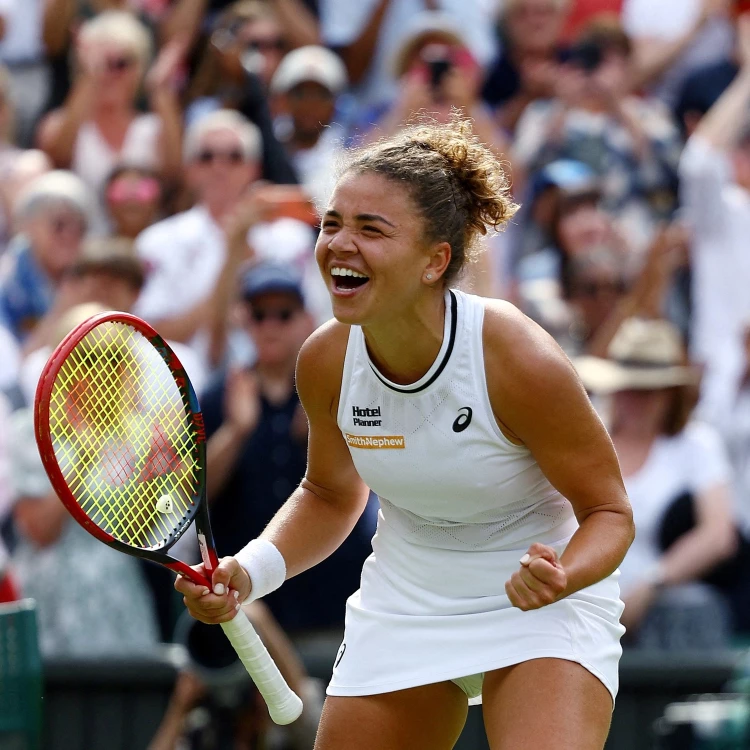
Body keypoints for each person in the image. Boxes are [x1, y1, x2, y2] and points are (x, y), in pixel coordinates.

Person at [176, 116, 634, 750]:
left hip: (543, 598)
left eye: (371, 229)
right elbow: (332, 495)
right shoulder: (326, 359)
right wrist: (247, 571)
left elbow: (610, 511)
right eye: (332, 223)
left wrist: (564, 572)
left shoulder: (514, 355)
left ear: (434, 261)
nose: (339, 243)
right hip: (409, 595)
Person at [200, 261, 373, 633]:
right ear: (244, 321)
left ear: (307, 319)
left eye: (284, 314)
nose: (271, 326)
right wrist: (236, 430)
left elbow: (370, 480)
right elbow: (193, 500)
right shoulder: (219, 397)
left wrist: (322, 430)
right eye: (260, 315)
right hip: (250, 597)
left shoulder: (338, 390)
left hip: (333, 593)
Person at [574, 317, 741, 646]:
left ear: (670, 395)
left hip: (663, 615)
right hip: (586, 603)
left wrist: (652, 584)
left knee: (691, 608)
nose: (636, 400)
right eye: (629, 388)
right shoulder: (588, 436)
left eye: (649, 391)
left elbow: (718, 534)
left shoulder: (696, 443)